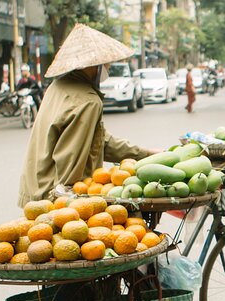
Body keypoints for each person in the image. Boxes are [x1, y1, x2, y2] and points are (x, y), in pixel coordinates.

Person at [18, 24, 157, 207]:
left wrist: (146, 154)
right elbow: (70, 161)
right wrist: (69, 199)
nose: (108, 67)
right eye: (106, 64)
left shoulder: (58, 87)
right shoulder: (88, 101)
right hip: (54, 197)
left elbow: (99, 140)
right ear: (93, 66)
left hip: (35, 186)